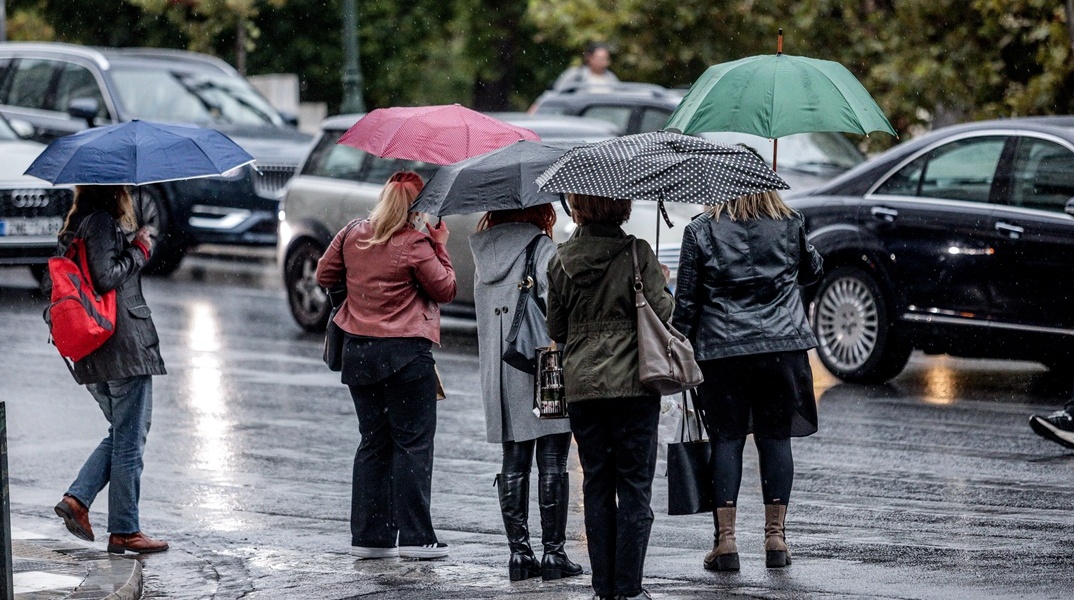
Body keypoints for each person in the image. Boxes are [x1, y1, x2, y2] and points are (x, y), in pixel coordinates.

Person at [671, 190, 823, 572]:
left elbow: (687, 300)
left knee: (727, 440)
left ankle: (726, 543)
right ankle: (775, 539)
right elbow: (812, 273)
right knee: (775, 438)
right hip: (782, 348)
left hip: (723, 352)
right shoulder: (790, 223)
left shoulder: (701, 231)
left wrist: (676, 349)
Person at [315, 171, 457, 560]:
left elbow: (323, 274)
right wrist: (439, 244)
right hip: (406, 355)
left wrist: (359, 288)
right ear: (416, 209)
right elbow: (445, 288)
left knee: (373, 442)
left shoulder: (352, 232)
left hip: (358, 352)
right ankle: (416, 538)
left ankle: (370, 536)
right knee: (412, 444)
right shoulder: (415, 243)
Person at [546, 194, 672, 600]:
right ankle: (628, 587)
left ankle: (603, 586)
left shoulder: (561, 260)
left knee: (597, 482)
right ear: (623, 208)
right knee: (635, 484)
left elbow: (558, 328)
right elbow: (663, 312)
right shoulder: (638, 252)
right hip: (635, 383)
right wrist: (660, 281)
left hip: (583, 387)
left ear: (578, 209)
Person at [51, 185, 169, 555]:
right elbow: (105, 276)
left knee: (122, 433)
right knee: (130, 439)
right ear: (114, 191)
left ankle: (79, 500)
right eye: (126, 189)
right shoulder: (100, 223)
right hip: (120, 346)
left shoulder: (78, 226)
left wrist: (128, 242)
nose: (130, 195)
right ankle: (124, 529)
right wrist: (140, 249)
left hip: (97, 350)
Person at [469, 205, 582, 582]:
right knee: (552, 460)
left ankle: (519, 554)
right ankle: (554, 553)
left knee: (513, 460)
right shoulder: (543, 249)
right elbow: (559, 310)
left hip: (500, 370)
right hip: (542, 365)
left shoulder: (482, 252)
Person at [552, 42, 619, 92]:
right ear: (589, 58)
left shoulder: (611, 78)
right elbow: (556, 93)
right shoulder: (576, 75)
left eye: (606, 59)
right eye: (600, 59)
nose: (604, 62)